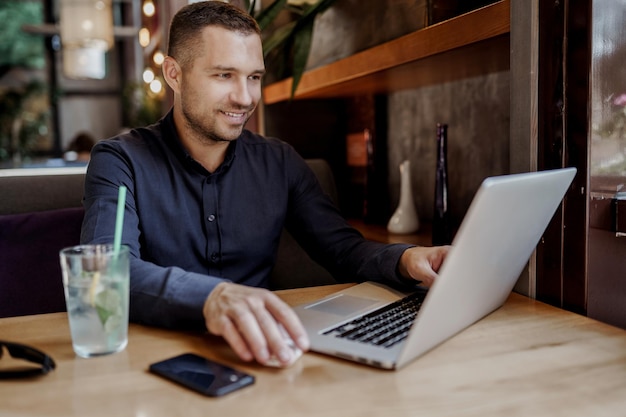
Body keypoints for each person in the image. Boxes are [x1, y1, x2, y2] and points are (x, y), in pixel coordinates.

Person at [81, 1, 449, 368]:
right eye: (224, 75)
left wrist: (406, 259)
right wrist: (212, 297)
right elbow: (107, 274)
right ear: (174, 74)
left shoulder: (281, 161)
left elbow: (343, 249)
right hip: (153, 361)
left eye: (254, 77)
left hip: (266, 355)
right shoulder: (119, 160)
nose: (244, 97)